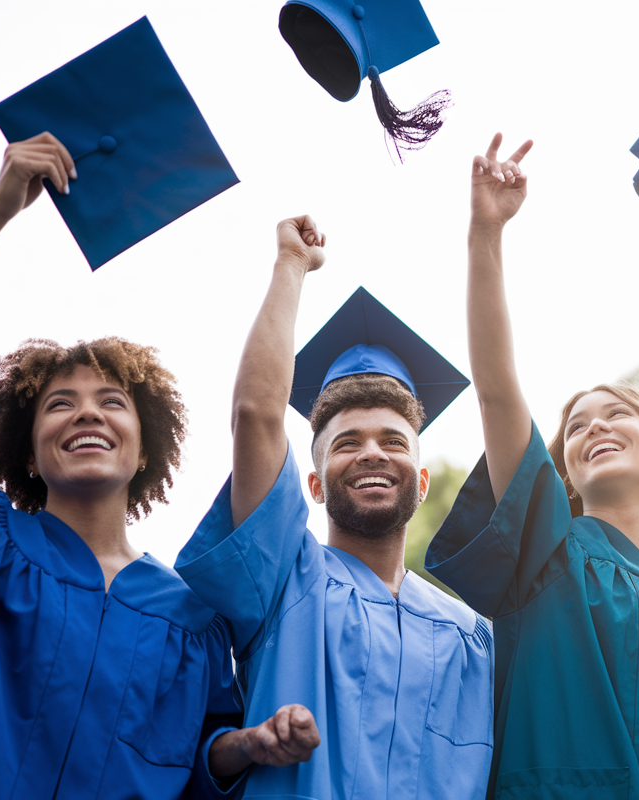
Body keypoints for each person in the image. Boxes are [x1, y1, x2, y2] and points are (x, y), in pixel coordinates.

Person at [0, 135, 318, 799]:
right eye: (60, 405)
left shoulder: (191, 620)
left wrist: (244, 746)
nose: (87, 415)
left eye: (112, 403)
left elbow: (200, 759)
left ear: (144, 449)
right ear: (27, 448)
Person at [424, 134, 639, 799]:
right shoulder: (546, 553)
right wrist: (486, 235)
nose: (594, 425)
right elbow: (496, 390)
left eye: (616, 415)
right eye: (575, 427)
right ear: (563, 470)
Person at [175, 216, 494, 799]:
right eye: (346, 443)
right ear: (315, 485)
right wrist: (291, 267)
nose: (372, 453)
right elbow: (256, 415)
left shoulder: (474, 638)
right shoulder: (285, 579)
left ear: (422, 481)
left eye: (393, 441)